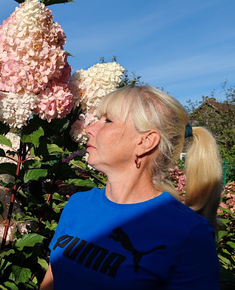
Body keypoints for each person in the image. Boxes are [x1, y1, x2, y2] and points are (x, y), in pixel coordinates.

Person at [40, 85, 222, 290]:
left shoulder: (189, 232)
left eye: (107, 120)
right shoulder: (78, 204)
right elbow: (51, 280)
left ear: (145, 141)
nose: (89, 128)